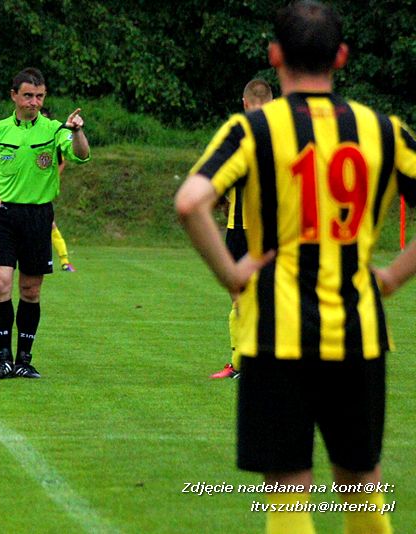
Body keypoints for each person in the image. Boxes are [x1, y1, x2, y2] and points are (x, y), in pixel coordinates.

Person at [175, 2, 416, 533]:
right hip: (357, 330)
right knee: (360, 485)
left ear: (275, 55)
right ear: (343, 57)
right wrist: (395, 275)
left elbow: (191, 202)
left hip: (275, 333)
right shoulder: (382, 130)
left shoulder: (254, 129)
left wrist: (234, 275)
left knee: (287, 491)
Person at [0, 67, 90, 379]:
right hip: (3, 215)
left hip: (38, 216)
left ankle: (24, 358)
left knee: (30, 289)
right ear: (14, 95)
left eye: (39, 96)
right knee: (0, 284)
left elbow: (80, 155)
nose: (33, 102)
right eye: (27, 95)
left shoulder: (54, 130)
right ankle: (3, 357)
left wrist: (77, 131)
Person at [210, 78, 273, 379]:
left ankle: (244, 363)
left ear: (245, 103)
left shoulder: (235, 138)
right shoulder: (287, 137)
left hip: (241, 230)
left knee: (242, 299)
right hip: (271, 230)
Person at [41, 107, 77, 273]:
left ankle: (64, 261)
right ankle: (64, 261)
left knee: (50, 225)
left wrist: (54, 176)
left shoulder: (55, 138)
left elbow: (63, 161)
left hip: (44, 191)